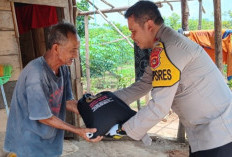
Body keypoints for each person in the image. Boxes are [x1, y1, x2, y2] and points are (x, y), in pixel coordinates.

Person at [112, 1, 232, 157]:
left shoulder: (170, 49)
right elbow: (143, 85)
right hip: (208, 134)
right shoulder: (163, 46)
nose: (132, 36)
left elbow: (159, 107)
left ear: (149, 25)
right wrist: (107, 99)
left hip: (219, 135)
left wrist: (119, 130)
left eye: (133, 31)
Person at [4, 22, 103, 157]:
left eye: (77, 50)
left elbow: (68, 101)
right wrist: (78, 130)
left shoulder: (63, 69)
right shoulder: (36, 73)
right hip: (29, 141)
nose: (76, 55)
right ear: (56, 48)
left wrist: (93, 110)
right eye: (72, 50)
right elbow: (43, 117)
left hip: (49, 139)